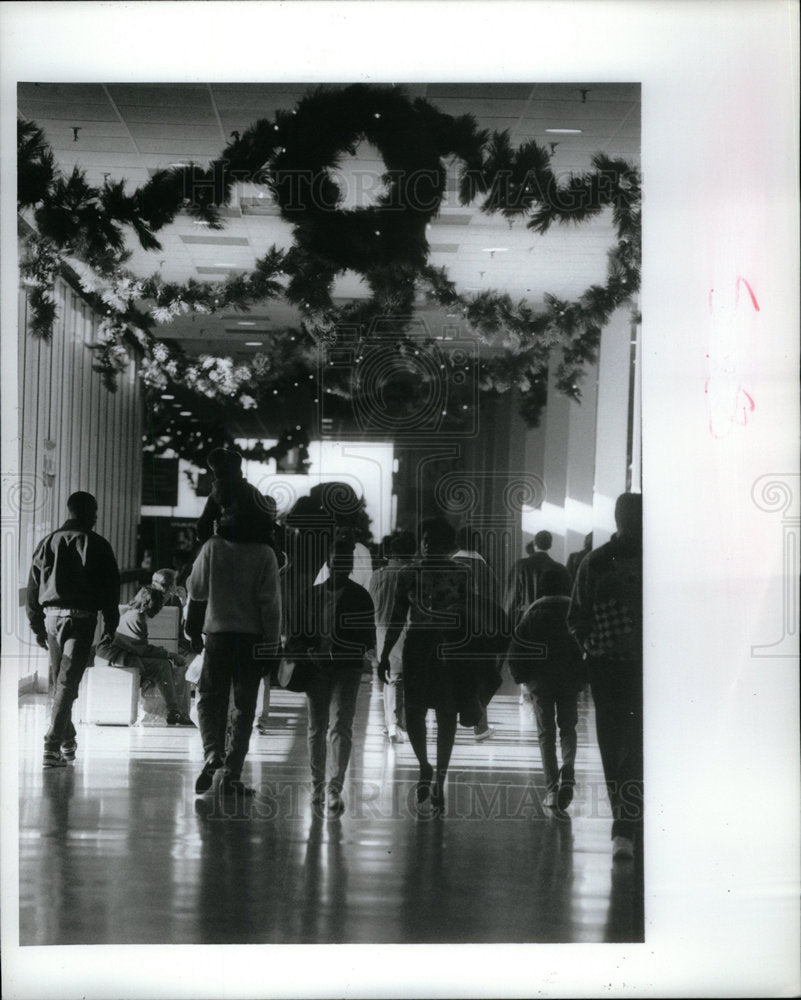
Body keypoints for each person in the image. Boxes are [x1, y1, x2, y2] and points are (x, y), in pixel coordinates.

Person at [187, 481, 282, 798]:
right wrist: (272, 645)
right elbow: (271, 605)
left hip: (218, 636)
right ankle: (231, 775)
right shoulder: (266, 553)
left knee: (209, 698)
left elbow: (196, 590)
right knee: (243, 708)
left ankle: (212, 754)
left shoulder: (213, 546)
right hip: (252, 641)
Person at [379, 517, 472, 816]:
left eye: (434, 539)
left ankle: (438, 777)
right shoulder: (410, 573)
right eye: (425, 538)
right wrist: (384, 653)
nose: (428, 543)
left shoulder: (461, 574)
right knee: (416, 710)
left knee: (446, 714)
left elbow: (469, 615)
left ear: (445, 544)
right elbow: (396, 616)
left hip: (442, 645)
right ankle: (425, 766)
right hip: (421, 644)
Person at [567, 493, 643, 861]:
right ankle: (628, 821)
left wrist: (593, 643)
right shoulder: (661, 560)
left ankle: (625, 824)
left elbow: (576, 616)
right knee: (631, 743)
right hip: (633, 667)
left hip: (608, 665)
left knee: (616, 744)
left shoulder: (595, 561)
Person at [26, 491, 120, 767]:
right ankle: (51, 744)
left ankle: (68, 739)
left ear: (70, 511)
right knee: (67, 683)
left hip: (51, 619)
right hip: (80, 620)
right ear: (92, 514)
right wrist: (111, 623)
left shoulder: (48, 542)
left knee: (60, 682)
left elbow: (33, 586)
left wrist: (36, 625)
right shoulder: (98, 544)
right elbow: (110, 588)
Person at [288, 539, 376, 816]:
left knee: (339, 725)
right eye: (338, 560)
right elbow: (296, 635)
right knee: (320, 726)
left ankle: (332, 786)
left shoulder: (360, 597)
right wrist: (309, 652)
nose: (342, 566)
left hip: (345, 669)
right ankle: (319, 785)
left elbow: (366, 639)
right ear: (329, 563)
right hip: (318, 669)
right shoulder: (312, 595)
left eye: (346, 561)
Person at [507, 568, 586, 811]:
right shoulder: (574, 608)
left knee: (546, 733)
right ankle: (569, 769)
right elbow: (585, 643)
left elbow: (517, 647)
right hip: (569, 679)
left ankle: (552, 790)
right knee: (568, 728)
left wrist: (523, 677)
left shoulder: (533, 611)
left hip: (540, 681)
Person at [98, 585, 194, 726]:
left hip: (117, 656)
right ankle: (174, 711)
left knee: (161, 665)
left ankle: (174, 710)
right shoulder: (137, 617)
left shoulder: (131, 613)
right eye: (159, 604)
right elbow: (142, 649)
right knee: (162, 666)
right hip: (116, 658)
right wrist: (170, 654)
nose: (160, 608)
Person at [452, 525, 501, 742]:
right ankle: (480, 726)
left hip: (451, 631)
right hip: (480, 631)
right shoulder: (485, 569)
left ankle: (448, 722)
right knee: (482, 677)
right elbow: (493, 602)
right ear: (478, 544)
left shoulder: (449, 565)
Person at [368, 530, 417, 744]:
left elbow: (370, 606)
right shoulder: (414, 574)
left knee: (391, 677)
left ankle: (393, 723)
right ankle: (397, 723)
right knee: (404, 678)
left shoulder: (378, 575)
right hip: (407, 628)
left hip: (382, 629)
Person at [196, 447, 275, 545]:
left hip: (224, 540)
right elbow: (266, 520)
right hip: (252, 542)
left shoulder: (216, 493)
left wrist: (206, 542)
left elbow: (203, 524)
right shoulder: (249, 490)